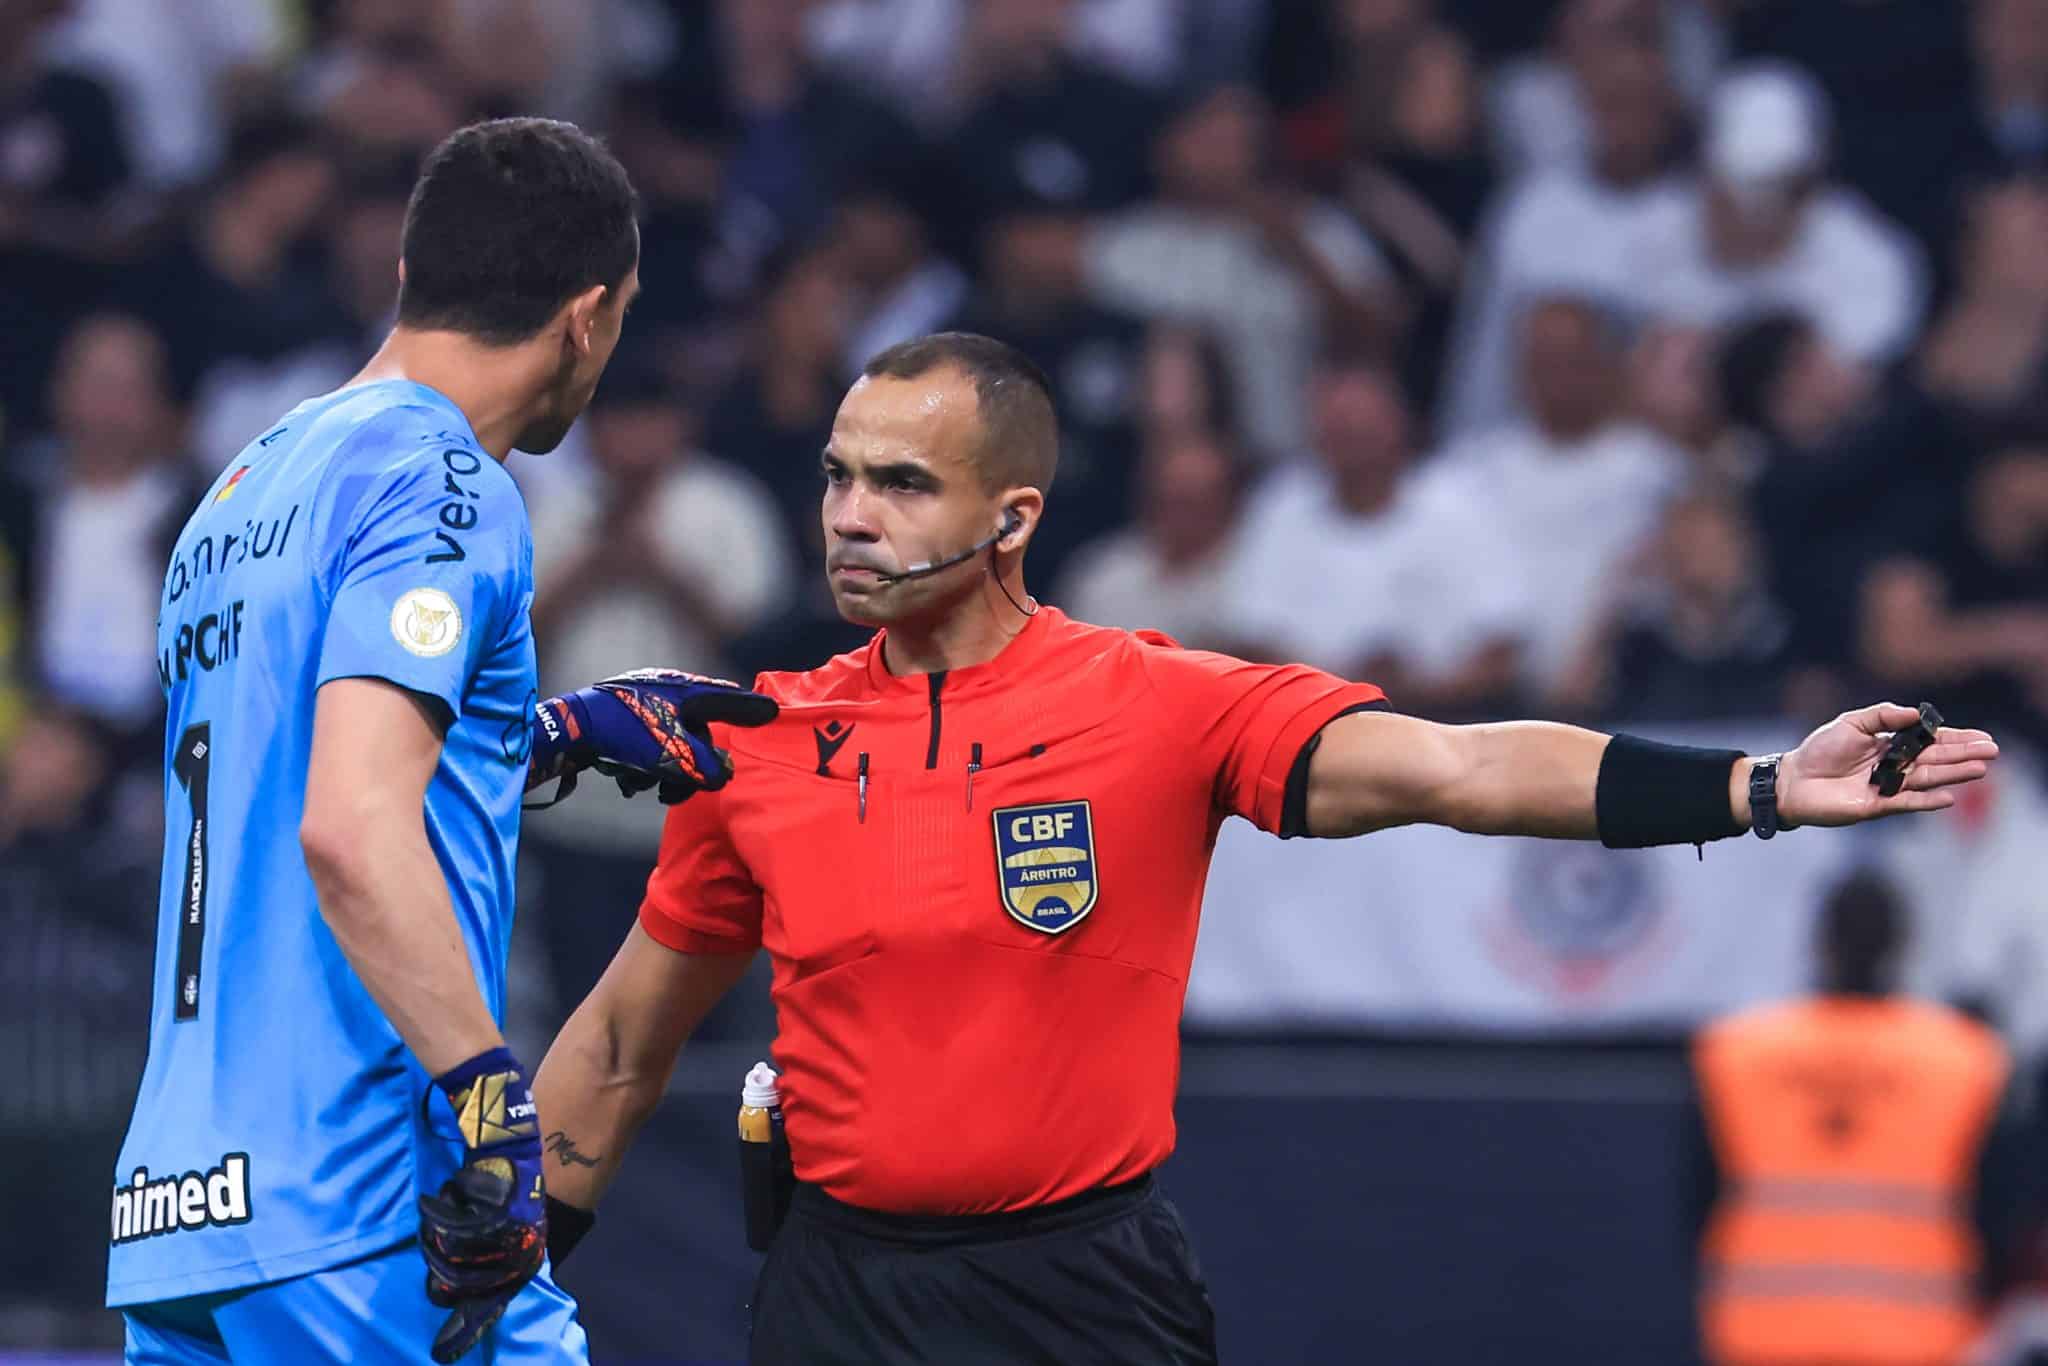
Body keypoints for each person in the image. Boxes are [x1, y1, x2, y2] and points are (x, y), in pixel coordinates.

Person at [532, 331, 2000, 1366]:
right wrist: (493, 1281)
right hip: (835, 1293)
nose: (852, 515)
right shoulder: (758, 738)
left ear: (1013, 517)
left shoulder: (1155, 702)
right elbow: (614, 1048)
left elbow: (1462, 766)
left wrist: (1753, 784)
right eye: (842, 475)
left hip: (1081, 1290)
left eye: (904, 484)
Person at [106, 117, 773, 1366]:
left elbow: (289, 767)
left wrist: (551, 731)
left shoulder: (246, 483)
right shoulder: (446, 483)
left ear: (411, 278)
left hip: (186, 1216)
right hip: (357, 1203)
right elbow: (351, 827)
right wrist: (487, 1100)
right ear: (587, 317)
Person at [1687, 870, 2025, 1366]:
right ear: (1903, 945)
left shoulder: (1736, 1054)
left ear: (1820, 943)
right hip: (1917, 1341)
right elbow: (1999, 1216)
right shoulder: (1965, 1060)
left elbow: (1696, 1206)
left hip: (1762, 1338)